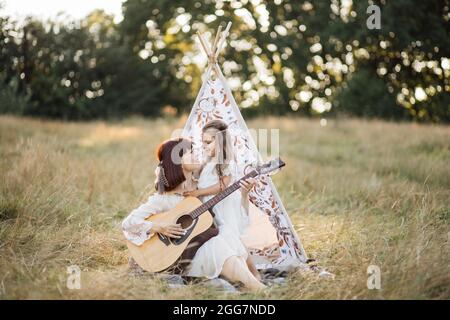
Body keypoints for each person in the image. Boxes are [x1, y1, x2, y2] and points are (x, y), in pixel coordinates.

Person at [122, 137, 266, 291]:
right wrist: (159, 227)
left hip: (202, 253)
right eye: (190, 152)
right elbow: (128, 223)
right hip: (177, 261)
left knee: (226, 233)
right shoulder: (163, 199)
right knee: (218, 244)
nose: (196, 154)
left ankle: (255, 286)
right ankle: (258, 288)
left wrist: (244, 193)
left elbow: (236, 222)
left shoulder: (201, 190)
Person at [183, 120, 261, 281]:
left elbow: (222, 186)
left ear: (219, 142)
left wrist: (198, 192)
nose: (204, 146)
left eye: (208, 142)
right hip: (210, 207)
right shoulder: (207, 162)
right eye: (202, 142)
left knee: (230, 235)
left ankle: (254, 274)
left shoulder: (226, 162)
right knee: (222, 237)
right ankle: (236, 270)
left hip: (223, 205)